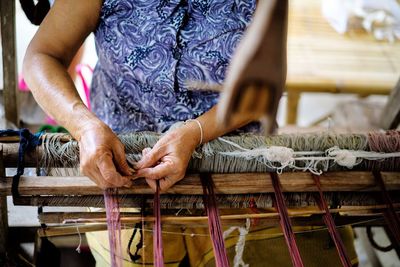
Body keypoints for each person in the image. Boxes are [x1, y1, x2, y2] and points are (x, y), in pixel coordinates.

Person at [23, 0, 357, 266]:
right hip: (125, 170)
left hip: (232, 165)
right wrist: (84, 125)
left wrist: (196, 132)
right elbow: (42, 55)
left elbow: (265, 86)